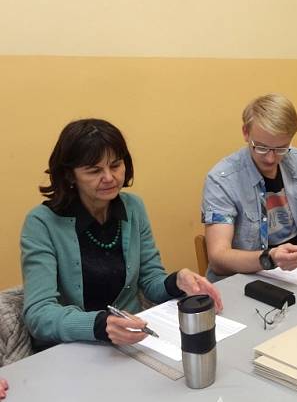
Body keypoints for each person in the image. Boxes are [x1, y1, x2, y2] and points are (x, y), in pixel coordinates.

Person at [21, 119, 222, 348]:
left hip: (130, 343)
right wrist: (99, 325)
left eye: (115, 165)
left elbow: (150, 281)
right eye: (94, 170)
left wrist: (177, 281)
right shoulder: (41, 223)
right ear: (69, 175)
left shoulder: (133, 207)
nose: (109, 177)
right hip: (71, 349)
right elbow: (38, 314)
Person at [202, 94, 297, 282]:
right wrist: (269, 259)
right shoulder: (221, 180)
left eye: (281, 148)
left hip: (296, 274)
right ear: (246, 133)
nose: (271, 158)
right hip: (245, 280)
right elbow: (218, 258)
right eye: (261, 147)